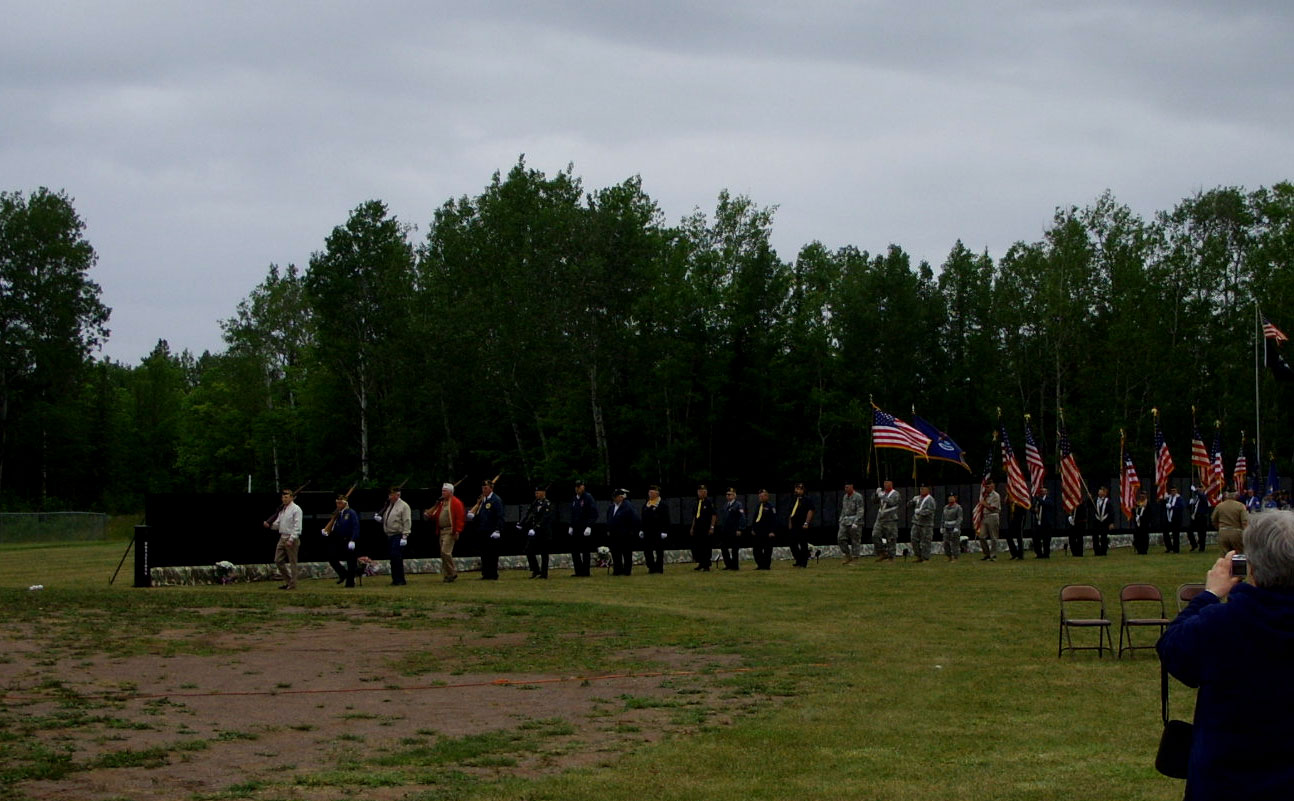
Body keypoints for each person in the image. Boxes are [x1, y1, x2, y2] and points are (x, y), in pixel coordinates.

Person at [1157, 511, 1294, 800]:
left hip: (1225, 781)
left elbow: (1173, 650)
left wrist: (1209, 594)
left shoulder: (1222, 623)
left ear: (1251, 566)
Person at [423, 482, 466, 583]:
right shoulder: (442, 503)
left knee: (445, 552)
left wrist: (457, 530)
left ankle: (452, 572)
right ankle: (447, 575)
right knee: (442, 554)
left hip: (450, 530)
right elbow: (437, 515)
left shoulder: (456, 502)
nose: (442, 492)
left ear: (450, 492)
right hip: (441, 530)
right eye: (442, 490)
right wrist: (429, 515)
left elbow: (460, 518)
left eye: (445, 491)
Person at [375, 486, 412, 586]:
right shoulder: (389, 505)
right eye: (389, 494)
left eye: (391, 494)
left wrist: (405, 536)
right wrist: (381, 520)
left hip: (398, 534)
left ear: (397, 495)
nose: (389, 496)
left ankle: (400, 579)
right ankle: (395, 579)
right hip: (389, 535)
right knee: (392, 557)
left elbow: (406, 521)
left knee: (396, 557)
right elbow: (389, 519)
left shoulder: (404, 506)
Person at [266, 488, 303, 590]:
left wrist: (292, 539)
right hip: (282, 537)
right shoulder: (282, 509)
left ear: (291, 498)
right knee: (278, 560)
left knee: (292, 562)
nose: (284, 499)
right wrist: (270, 525)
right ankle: (288, 581)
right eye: (283, 497)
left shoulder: (296, 509)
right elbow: (278, 524)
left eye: (286, 497)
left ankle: (293, 584)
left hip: (291, 538)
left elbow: (297, 526)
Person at [469, 479, 505, 580]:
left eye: (486, 488)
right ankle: (486, 574)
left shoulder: (496, 500)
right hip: (483, 531)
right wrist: (474, 518)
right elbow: (482, 515)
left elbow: (500, 516)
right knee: (484, 553)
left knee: (492, 554)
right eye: (482, 488)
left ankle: (493, 574)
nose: (483, 490)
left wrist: (498, 530)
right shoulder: (483, 500)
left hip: (492, 531)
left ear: (491, 488)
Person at [323, 493, 361, 587]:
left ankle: (350, 583)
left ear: (345, 503)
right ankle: (343, 574)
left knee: (351, 562)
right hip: (339, 540)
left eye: (340, 503)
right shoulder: (338, 514)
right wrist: (327, 531)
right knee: (332, 557)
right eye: (337, 503)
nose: (338, 505)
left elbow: (356, 527)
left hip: (349, 539)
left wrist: (353, 539)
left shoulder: (351, 512)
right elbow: (335, 526)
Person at [518, 485, 554, 579]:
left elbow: (544, 519)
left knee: (544, 553)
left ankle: (544, 573)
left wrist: (535, 528)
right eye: (536, 492)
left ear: (543, 493)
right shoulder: (535, 503)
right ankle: (535, 569)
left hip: (544, 532)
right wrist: (521, 523)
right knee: (529, 550)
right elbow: (529, 513)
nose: (536, 494)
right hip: (534, 532)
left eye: (538, 492)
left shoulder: (547, 504)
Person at [607, 488, 640, 575]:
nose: (614, 499)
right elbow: (609, 518)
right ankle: (617, 569)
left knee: (626, 553)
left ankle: (627, 570)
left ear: (621, 497)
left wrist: (630, 531)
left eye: (616, 497)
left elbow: (635, 519)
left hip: (625, 534)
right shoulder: (612, 507)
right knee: (615, 553)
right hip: (614, 534)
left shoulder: (628, 507)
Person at [569, 480, 599, 577]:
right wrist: (571, 526)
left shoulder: (588, 498)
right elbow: (573, 514)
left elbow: (594, 513)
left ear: (583, 487)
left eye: (580, 486)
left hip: (585, 528)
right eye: (577, 487)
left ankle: (586, 571)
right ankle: (578, 571)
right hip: (576, 528)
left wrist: (589, 526)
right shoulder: (574, 499)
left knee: (585, 550)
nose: (578, 489)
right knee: (575, 551)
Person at [640, 486, 669, 574]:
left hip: (658, 531)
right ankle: (651, 567)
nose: (650, 494)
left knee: (659, 550)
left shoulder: (662, 504)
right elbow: (643, 518)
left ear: (657, 494)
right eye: (649, 493)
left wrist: (665, 531)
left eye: (652, 493)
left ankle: (659, 568)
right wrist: (641, 529)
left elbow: (666, 519)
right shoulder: (646, 504)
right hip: (648, 531)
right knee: (647, 550)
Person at [786, 483, 816, 568]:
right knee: (792, 544)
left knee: (803, 544)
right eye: (796, 489)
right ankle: (798, 559)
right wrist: (790, 523)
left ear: (802, 490)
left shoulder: (807, 499)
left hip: (802, 524)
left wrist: (806, 523)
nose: (796, 491)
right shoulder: (793, 499)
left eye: (798, 489)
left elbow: (811, 511)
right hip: (794, 524)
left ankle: (803, 562)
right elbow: (791, 512)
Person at [689, 484, 717, 571]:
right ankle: (700, 562)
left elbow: (714, 515)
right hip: (698, 528)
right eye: (699, 492)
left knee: (706, 546)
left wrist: (712, 527)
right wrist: (692, 527)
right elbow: (695, 516)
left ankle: (706, 564)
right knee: (698, 546)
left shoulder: (709, 502)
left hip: (706, 528)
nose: (701, 493)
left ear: (706, 492)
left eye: (703, 492)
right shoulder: (696, 503)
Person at [718, 487, 746, 570]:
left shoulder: (738, 505)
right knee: (723, 547)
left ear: (734, 495)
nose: (728, 496)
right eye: (727, 494)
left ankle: (735, 566)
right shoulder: (726, 504)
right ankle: (728, 564)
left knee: (734, 548)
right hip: (726, 530)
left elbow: (742, 517)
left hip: (734, 530)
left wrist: (740, 529)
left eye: (729, 494)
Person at [749, 489, 777, 570]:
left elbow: (774, 520)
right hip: (758, 532)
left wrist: (772, 531)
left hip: (767, 532)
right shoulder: (758, 506)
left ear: (766, 496)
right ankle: (760, 564)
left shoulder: (771, 507)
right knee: (756, 550)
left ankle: (766, 565)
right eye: (759, 496)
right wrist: (753, 528)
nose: (760, 498)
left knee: (767, 550)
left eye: (762, 496)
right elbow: (755, 518)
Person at [874, 480, 902, 562]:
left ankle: (891, 557)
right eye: (884, 483)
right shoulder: (882, 493)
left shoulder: (895, 494)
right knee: (875, 535)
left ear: (891, 484)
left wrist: (882, 496)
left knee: (891, 538)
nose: (885, 484)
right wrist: (876, 494)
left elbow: (892, 502)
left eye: (887, 483)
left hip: (890, 519)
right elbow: (874, 501)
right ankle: (882, 553)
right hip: (880, 518)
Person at [837, 481, 865, 564]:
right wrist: (841, 519)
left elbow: (860, 510)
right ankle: (847, 555)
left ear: (852, 487)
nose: (846, 489)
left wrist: (856, 521)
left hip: (855, 521)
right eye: (845, 487)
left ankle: (855, 558)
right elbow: (844, 509)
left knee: (855, 540)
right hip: (845, 521)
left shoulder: (858, 496)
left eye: (847, 487)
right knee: (840, 538)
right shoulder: (845, 497)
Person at [908, 484, 936, 562]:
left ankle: (925, 558)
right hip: (916, 522)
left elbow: (930, 511)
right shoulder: (918, 498)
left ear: (928, 490)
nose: (922, 490)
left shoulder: (930, 499)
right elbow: (908, 505)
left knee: (926, 541)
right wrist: (912, 501)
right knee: (914, 539)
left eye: (924, 489)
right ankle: (918, 556)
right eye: (921, 489)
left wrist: (920, 512)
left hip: (926, 524)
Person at [976, 480, 1000, 562]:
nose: (986, 488)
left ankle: (993, 555)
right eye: (985, 487)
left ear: (992, 486)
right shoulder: (985, 495)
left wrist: (984, 503)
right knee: (981, 536)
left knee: (993, 537)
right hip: (985, 516)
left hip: (993, 516)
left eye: (988, 487)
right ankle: (987, 554)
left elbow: (993, 508)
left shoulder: (996, 496)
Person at [1090, 485, 1115, 556]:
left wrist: (1111, 523)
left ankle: (1103, 551)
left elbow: (1111, 512)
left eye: (1101, 490)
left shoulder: (1108, 502)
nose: (1099, 491)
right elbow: (1089, 505)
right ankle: (1097, 551)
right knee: (1095, 537)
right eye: (1099, 490)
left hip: (1105, 521)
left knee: (1104, 537)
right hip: (1096, 521)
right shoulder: (1095, 500)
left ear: (1105, 493)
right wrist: (1089, 498)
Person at [1032, 486, 1054, 558]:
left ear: (1046, 492)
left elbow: (1045, 504)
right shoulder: (1037, 501)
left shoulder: (1049, 499)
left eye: (1044, 491)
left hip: (1046, 523)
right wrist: (1034, 509)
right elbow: (1031, 508)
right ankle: (1039, 553)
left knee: (1046, 540)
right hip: (1038, 522)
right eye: (1041, 491)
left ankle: (1046, 554)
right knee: (1036, 539)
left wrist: (1038, 498)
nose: (1042, 492)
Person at [1163, 485, 1185, 554]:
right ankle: (1169, 547)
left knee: (1175, 534)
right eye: (1172, 491)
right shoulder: (1168, 498)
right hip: (1168, 518)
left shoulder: (1179, 498)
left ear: (1176, 491)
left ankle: (1176, 549)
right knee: (1165, 533)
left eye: (1174, 491)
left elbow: (1181, 507)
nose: (1173, 492)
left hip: (1176, 519)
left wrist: (1172, 507)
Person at [1189, 484, 1211, 553]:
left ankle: (1202, 548)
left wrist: (1195, 491)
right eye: (1199, 487)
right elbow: (1192, 507)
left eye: (1201, 488)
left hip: (1202, 516)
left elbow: (1202, 498)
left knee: (1201, 533)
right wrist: (1190, 503)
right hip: (1195, 516)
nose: (1200, 489)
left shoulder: (1203, 496)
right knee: (1189, 530)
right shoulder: (1196, 497)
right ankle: (1194, 544)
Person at [941, 492, 963, 561]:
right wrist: (942, 526)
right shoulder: (945, 507)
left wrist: (956, 527)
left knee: (955, 543)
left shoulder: (958, 507)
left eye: (952, 497)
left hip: (954, 527)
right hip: (946, 526)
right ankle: (949, 556)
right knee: (946, 542)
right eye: (949, 497)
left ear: (955, 498)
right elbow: (943, 518)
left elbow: (960, 518)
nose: (950, 498)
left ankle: (955, 557)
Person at [1132, 490, 1152, 555]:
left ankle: (1144, 550)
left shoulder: (1148, 504)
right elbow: (1134, 511)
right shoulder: (1138, 503)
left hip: (1144, 523)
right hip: (1138, 523)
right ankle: (1139, 549)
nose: (1142, 496)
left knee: (1144, 537)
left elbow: (1149, 514)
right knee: (1138, 536)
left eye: (1144, 495)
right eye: (1141, 495)